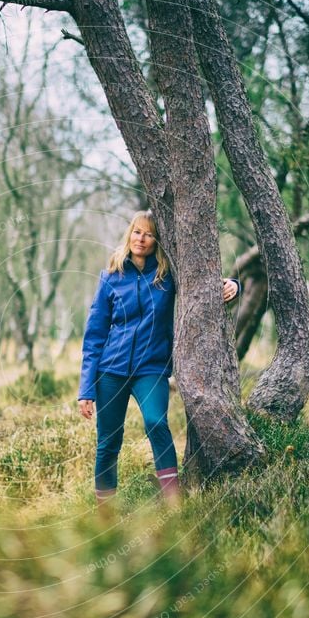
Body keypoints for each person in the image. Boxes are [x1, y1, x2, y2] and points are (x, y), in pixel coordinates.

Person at [78, 209, 240, 510]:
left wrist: (231, 283)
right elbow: (94, 336)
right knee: (108, 441)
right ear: (130, 234)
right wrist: (86, 390)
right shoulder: (111, 276)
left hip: (150, 369)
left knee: (156, 422)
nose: (142, 238)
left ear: (157, 240)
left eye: (149, 233)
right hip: (110, 371)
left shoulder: (167, 275)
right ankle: (104, 512)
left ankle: (173, 502)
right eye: (137, 231)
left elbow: (203, 284)